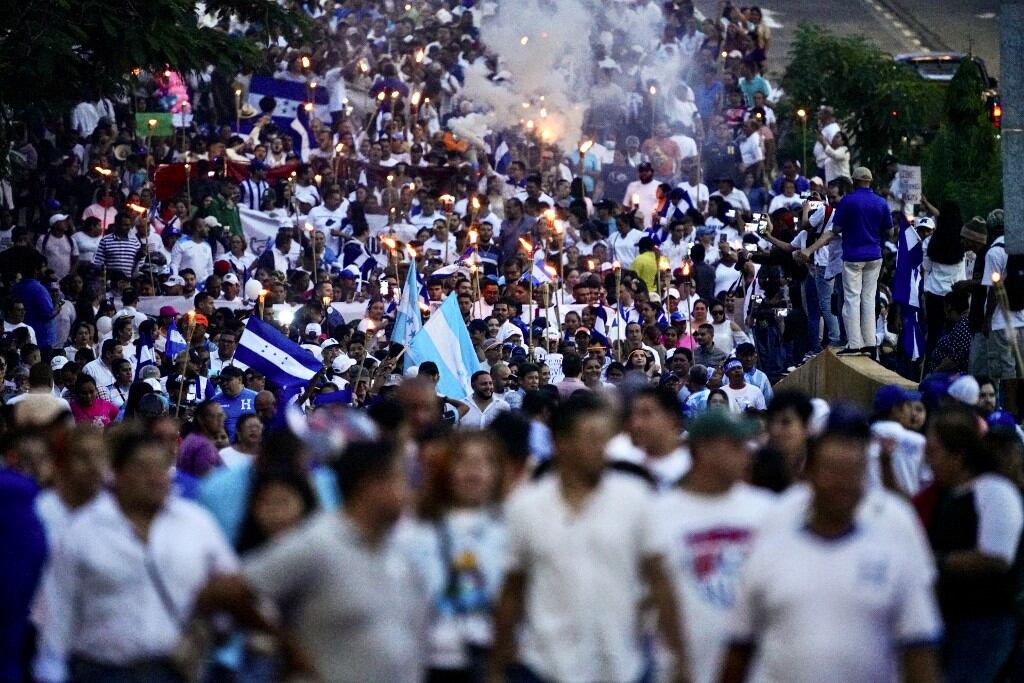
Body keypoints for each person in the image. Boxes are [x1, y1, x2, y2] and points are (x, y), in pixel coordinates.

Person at [720, 409, 943, 683]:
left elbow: (918, 644)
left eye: (852, 471)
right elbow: (740, 644)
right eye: (832, 470)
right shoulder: (778, 525)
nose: (841, 484)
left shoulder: (893, 534)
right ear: (810, 468)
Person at [489, 392, 689, 682]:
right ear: (561, 443)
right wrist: (496, 668)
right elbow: (512, 591)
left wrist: (679, 658)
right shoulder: (527, 507)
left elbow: (660, 582)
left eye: (604, 438)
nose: (601, 448)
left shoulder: (634, 498)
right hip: (545, 665)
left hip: (622, 665)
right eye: (591, 438)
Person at [197, 439, 428, 683]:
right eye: (401, 479)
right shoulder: (319, 542)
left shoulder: (397, 548)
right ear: (370, 485)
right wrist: (285, 643)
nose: (410, 489)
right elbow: (225, 592)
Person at [34, 428, 238, 683]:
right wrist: (50, 671)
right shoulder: (84, 531)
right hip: (98, 672)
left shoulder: (196, 523)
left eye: (161, 467)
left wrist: (211, 630)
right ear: (117, 473)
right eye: (142, 467)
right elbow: (59, 608)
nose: (155, 477)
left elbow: (231, 586)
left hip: (175, 669)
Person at [657, 411, 775, 683]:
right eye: (735, 446)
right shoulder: (659, 514)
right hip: (682, 670)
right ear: (704, 451)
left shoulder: (767, 510)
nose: (746, 454)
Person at [919, 407, 1024, 682]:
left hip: (986, 621)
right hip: (951, 619)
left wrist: (936, 562)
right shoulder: (950, 495)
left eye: (935, 453)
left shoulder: (995, 492)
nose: (929, 462)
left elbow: (997, 558)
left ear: (958, 455)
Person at [400, 431, 507, 681]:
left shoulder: (512, 528)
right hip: (432, 659)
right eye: (463, 460)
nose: (474, 468)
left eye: (485, 461)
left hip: (491, 658)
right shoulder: (415, 533)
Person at [804, 167, 892, 357]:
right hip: (875, 255)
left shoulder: (848, 201)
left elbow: (835, 229)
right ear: (870, 181)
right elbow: (890, 232)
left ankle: (854, 344)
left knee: (852, 299)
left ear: (854, 181)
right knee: (868, 299)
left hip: (853, 256)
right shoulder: (881, 202)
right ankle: (869, 342)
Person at [213, 366, 258, 441]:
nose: (224, 384)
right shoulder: (214, 402)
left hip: (251, 447)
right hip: (225, 448)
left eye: (228, 380)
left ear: (239, 379)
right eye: (222, 380)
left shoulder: (255, 397)